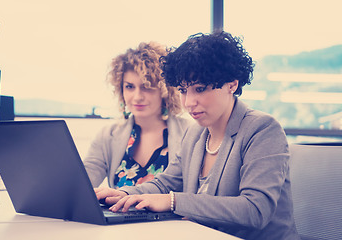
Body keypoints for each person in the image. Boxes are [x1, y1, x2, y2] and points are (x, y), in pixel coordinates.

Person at [94, 31, 300, 240]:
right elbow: (165, 183)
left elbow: (255, 210)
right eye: (183, 90)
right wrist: (126, 194)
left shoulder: (262, 129)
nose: (189, 102)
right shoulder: (195, 133)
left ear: (232, 84)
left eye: (199, 89)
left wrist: (173, 201)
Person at [83, 42, 192, 189]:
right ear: (121, 90)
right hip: (118, 212)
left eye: (146, 87)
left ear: (165, 90)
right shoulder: (107, 136)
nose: (137, 97)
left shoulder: (189, 133)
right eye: (129, 87)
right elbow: (81, 185)